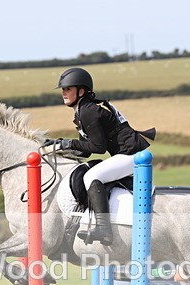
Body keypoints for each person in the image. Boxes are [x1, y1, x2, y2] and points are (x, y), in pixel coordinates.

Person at [48, 67, 155, 246]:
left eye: (68, 89)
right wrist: (60, 147)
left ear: (81, 91)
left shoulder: (88, 111)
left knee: (92, 175)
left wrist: (69, 143)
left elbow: (98, 147)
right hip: (128, 154)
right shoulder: (82, 110)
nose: (63, 93)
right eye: (63, 90)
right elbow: (86, 151)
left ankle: (104, 230)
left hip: (132, 155)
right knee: (93, 173)